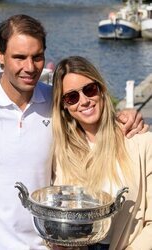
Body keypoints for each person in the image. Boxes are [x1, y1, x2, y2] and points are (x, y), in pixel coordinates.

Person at [0, 15, 148, 250]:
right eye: (19, 57)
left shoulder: (58, 102)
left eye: (37, 57)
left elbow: (91, 118)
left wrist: (124, 116)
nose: (30, 67)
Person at [51, 56, 152, 250]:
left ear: (101, 89)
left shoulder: (140, 142)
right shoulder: (62, 153)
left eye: (89, 89)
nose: (84, 101)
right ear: (64, 106)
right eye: (72, 97)